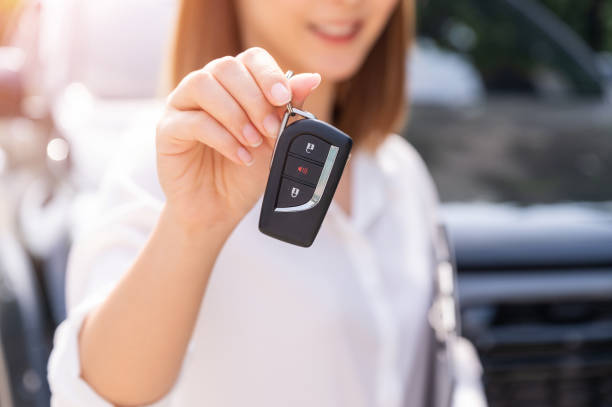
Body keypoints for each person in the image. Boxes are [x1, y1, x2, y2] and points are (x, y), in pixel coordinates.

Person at [46, 0, 460, 406]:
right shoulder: (172, 157)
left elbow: (433, 368)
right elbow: (98, 391)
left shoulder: (400, 173)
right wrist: (194, 227)